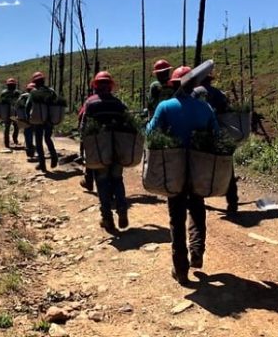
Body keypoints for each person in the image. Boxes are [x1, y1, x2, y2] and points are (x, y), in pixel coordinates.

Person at [146, 61, 219, 285]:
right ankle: (196, 252)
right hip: (198, 168)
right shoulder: (205, 108)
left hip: (174, 168)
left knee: (176, 218)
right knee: (197, 210)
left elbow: (150, 133)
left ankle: (181, 268)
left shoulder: (165, 107)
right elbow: (215, 135)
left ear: (174, 84)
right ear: (194, 84)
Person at [80, 72, 129, 232]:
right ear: (110, 86)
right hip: (117, 150)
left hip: (99, 150)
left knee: (101, 182)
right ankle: (122, 211)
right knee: (117, 179)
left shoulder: (91, 103)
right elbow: (127, 125)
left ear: (95, 85)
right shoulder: (118, 104)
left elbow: (83, 127)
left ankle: (107, 218)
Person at [191, 64, 239, 214]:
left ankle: (198, 200)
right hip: (219, 136)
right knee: (227, 168)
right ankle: (233, 202)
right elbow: (227, 112)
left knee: (198, 168)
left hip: (201, 136)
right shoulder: (219, 93)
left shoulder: (195, 93)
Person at [26, 71, 59, 172]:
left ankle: (42, 164)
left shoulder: (33, 92)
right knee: (48, 138)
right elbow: (56, 104)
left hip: (38, 120)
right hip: (49, 120)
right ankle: (54, 157)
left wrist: (29, 118)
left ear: (35, 82)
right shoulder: (51, 91)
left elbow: (27, 106)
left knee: (39, 142)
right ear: (43, 80)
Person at [15, 82, 36, 160]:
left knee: (27, 134)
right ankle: (35, 150)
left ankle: (30, 151)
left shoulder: (22, 96)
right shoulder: (37, 97)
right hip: (35, 119)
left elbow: (16, 106)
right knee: (36, 134)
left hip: (24, 119)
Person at [0, 78, 21, 150]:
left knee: (7, 127)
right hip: (13, 113)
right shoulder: (17, 93)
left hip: (6, 113)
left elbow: (0, 103)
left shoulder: (3, 93)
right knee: (16, 126)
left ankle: (7, 143)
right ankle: (15, 140)